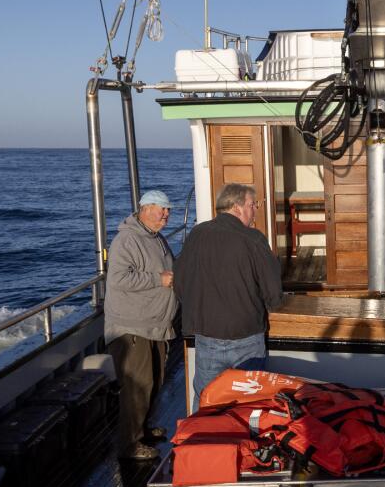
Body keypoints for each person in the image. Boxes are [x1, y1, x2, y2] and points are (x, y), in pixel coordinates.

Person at [173, 181, 283, 407]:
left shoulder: (197, 234)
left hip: (207, 338)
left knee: (206, 400)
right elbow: (274, 295)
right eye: (253, 205)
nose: (255, 211)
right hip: (246, 340)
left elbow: (180, 283)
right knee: (250, 402)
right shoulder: (253, 239)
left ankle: (200, 439)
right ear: (236, 206)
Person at [103, 188, 176, 461]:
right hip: (131, 327)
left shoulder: (156, 238)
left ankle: (142, 429)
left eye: (168, 210)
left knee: (154, 381)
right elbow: (119, 279)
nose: (167, 214)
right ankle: (129, 445)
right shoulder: (127, 240)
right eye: (162, 209)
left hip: (154, 324)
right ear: (145, 209)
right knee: (138, 385)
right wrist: (159, 279)